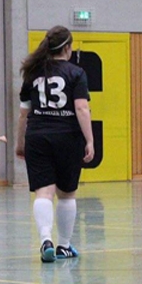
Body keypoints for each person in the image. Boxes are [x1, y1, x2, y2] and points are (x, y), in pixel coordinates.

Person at [15, 26, 94, 262]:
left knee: (44, 192)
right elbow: (81, 108)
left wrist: (20, 142)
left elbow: (23, 114)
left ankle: (45, 240)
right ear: (67, 47)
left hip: (37, 136)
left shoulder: (32, 73)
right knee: (67, 194)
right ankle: (64, 246)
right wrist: (90, 140)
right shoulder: (76, 73)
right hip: (67, 136)